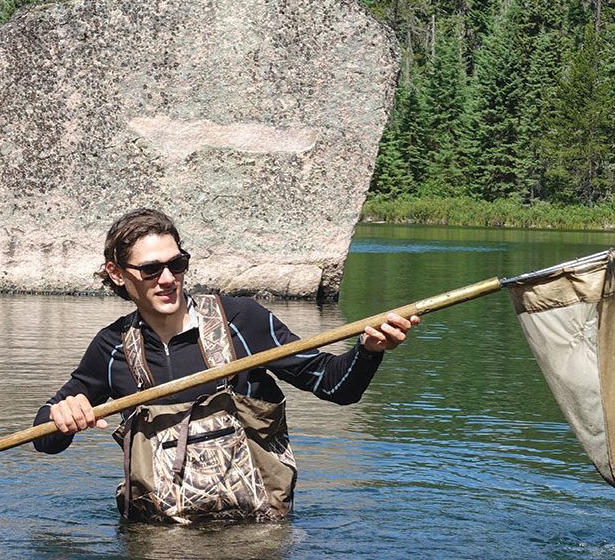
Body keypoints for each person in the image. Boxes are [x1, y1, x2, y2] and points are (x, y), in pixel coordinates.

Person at [33, 207, 418, 521]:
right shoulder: (112, 347)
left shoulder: (242, 321)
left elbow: (336, 387)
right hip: (157, 541)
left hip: (254, 536)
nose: (168, 279)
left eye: (177, 264)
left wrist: (368, 350)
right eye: (151, 270)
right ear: (116, 274)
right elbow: (44, 440)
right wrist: (62, 417)